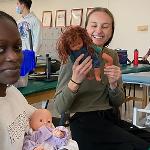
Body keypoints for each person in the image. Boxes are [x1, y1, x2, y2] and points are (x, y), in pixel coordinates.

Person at [53, 7, 150, 150]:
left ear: (111, 31)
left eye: (105, 26)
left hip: (109, 118)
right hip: (82, 121)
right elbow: (59, 107)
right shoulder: (72, 56)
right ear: (85, 29)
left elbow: (118, 101)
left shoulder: (112, 56)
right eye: (93, 25)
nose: (99, 31)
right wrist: (75, 81)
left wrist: (113, 85)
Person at [0, 11, 36, 149]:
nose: (14, 57)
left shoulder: (12, 92)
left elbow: (35, 118)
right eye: (0, 49)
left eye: (17, 47)